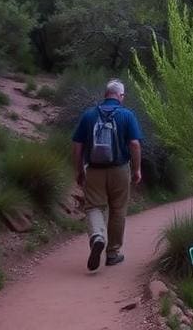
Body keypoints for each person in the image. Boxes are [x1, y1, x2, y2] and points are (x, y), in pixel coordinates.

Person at [71, 79, 143, 271]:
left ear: (105, 94)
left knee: (94, 207)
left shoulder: (89, 115)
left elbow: (78, 146)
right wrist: (137, 170)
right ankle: (112, 254)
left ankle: (97, 236)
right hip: (120, 170)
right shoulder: (127, 115)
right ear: (120, 96)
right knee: (118, 210)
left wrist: (79, 170)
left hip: (94, 170)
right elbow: (135, 144)